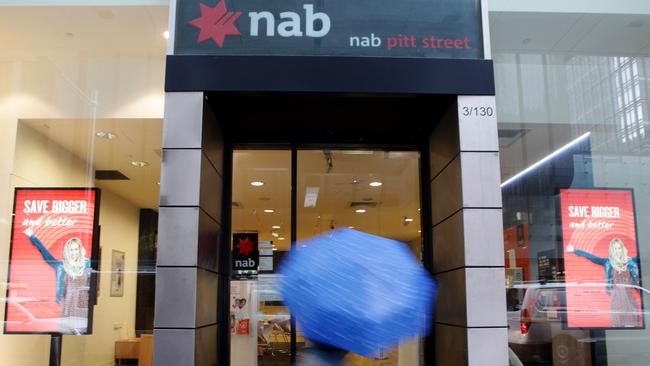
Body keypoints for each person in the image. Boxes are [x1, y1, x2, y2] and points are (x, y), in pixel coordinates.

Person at [24, 228, 91, 334]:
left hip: (82, 307)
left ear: (80, 249)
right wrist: (33, 237)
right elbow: (46, 255)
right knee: (66, 334)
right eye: (71, 250)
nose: (74, 252)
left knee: (81, 336)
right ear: (67, 251)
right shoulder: (61, 266)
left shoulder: (88, 264)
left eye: (76, 249)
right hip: (67, 308)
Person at [567, 238, 641, 327]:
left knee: (631, 325)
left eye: (619, 248)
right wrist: (575, 250)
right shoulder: (607, 262)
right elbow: (592, 257)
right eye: (615, 249)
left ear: (622, 248)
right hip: (616, 297)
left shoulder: (630, 261)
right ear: (612, 250)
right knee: (618, 326)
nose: (617, 251)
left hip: (628, 297)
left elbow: (644, 255)